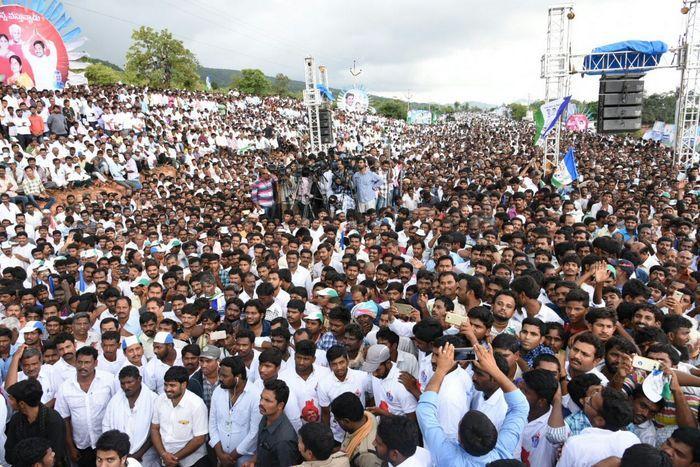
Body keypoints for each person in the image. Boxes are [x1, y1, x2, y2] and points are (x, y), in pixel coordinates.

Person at [416, 343, 529, 465]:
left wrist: (441, 370)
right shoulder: (502, 453)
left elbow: (424, 410)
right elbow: (520, 407)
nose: (473, 378)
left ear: (459, 438)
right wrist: (494, 369)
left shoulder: (449, 457)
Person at [55, 345, 116, 467]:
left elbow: (117, 408)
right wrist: (71, 447)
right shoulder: (65, 387)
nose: (83, 366)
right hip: (81, 446)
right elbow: (64, 420)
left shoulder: (109, 380)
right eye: (80, 362)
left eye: (87, 362)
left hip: (108, 442)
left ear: (96, 363)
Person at [151, 366, 208, 467]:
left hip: (193, 461)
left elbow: (199, 439)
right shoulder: (159, 400)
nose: (168, 389)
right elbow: (155, 429)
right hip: (166, 459)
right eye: (165, 385)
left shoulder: (197, 404)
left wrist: (174, 458)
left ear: (184, 385)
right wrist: (164, 454)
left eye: (172, 385)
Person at [102, 365, 159, 467]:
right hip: (119, 455)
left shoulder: (154, 400)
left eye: (130, 382)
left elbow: (155, 431)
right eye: (122, 383)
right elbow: (107, 426)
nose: (126, 387)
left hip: (146, 457)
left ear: (139, 379)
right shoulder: (115, 401)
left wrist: (138, 454)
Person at [5, 379, 66, 466]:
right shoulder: (16, 420)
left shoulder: (53, 420)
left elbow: (55, 455)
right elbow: (9, 453)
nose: (9, 402)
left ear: (22, 404)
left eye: (11, 399)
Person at [244, 379, 301, 467]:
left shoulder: (284, 441)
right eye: (261, 398)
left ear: (280, 405)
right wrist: (252, 462)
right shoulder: (266, 416)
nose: (261, 403)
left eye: (267, 400)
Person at [330, 392, 382, 467]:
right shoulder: (367, 416)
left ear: (346, 421)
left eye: (336, 420)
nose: (337, 423)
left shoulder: (366, 455)